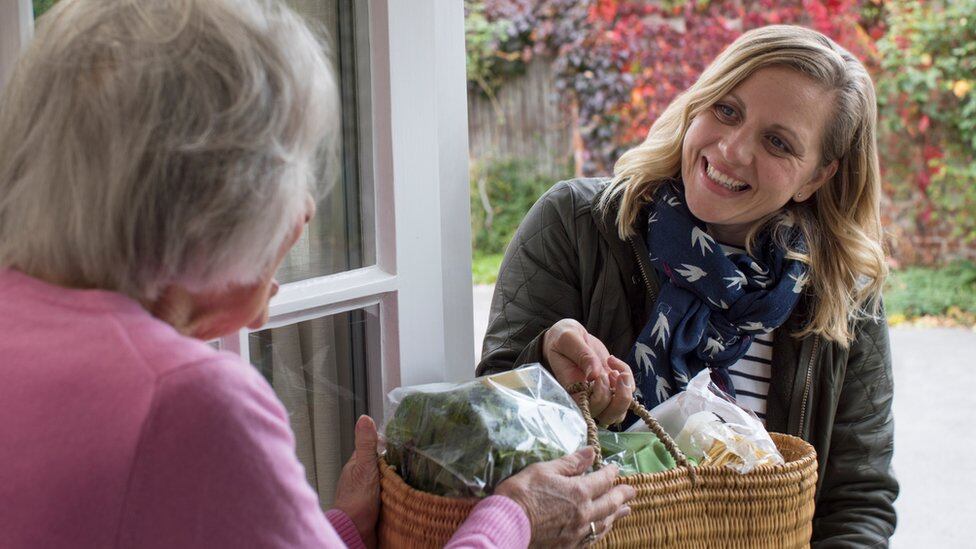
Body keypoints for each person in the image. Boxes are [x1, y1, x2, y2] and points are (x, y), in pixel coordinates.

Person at [0, 0, 635, 547]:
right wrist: (516, 519)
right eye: (294, 166)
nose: (306, 210)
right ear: (210, 200)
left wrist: (339, 527)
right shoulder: (189, 401)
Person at [478, 25, 898, 546]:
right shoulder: (575, 224)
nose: (733, 148)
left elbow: (857, 500)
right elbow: (490, 424)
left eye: (778, 142)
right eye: (726, 110)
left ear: (816, 177)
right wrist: (547, 365)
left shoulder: (843, 293)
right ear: (698, 104)